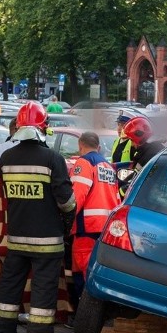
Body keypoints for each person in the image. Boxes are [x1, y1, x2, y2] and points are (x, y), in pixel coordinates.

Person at [0, 101, 76, 333]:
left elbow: (6, 192)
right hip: (47, 239)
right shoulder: (53, 159)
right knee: (43, 285)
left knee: (10, 281)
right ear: (44, 128)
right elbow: (67, 202)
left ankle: (3, 329)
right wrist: (66, 226)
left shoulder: (6, 157)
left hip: (17, 235)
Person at [68, 131, 120, 306]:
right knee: (91, 272)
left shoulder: (84, 163)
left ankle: (85, 314)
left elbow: (76, 197)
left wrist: (65, 222)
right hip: (105, 229)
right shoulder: (108, 166)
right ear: (98, 147)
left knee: (84, 274)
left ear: (80, 146)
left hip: (87, 228)